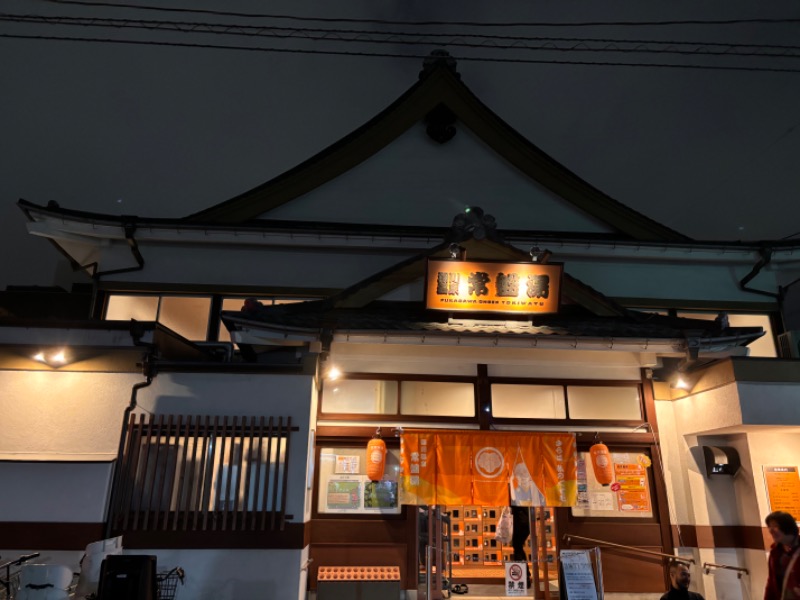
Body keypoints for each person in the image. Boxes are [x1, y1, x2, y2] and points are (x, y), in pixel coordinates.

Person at [764, 510, 800, 600]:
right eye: (769, 526)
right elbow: (772, 582)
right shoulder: (775, 552)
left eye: (775, 526)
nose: (771, 530)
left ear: (788, 527)